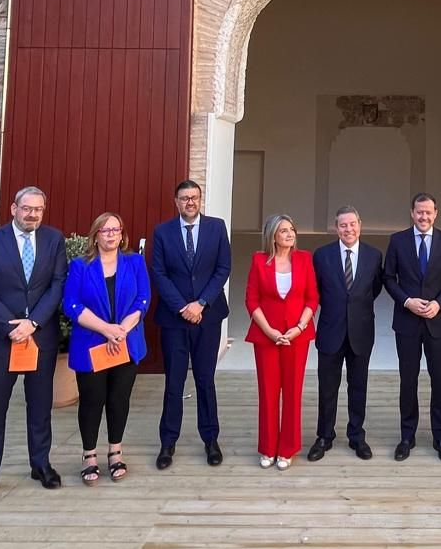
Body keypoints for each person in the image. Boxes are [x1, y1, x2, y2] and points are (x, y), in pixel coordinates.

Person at [0, 184, 68, 507]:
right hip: (1, 338)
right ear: (14, 209)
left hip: (40, 336)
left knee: (40, 406)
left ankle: (40, 464)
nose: (32, 215)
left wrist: (33, 322)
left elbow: (57, 285)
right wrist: (12, 326)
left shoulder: (54, 240)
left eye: (38, 209)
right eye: (27, 209)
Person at [62, 212, 151, 484]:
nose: (111, 234)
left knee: (118, 400)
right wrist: (106, 329)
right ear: (95, 235)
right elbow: (71, 304)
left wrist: (121, 329)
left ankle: (115, 450)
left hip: (126, 342)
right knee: (92, 401)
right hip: (92, 344)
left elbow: (143, 298)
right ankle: (89, 454)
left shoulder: (135, 262)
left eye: (116, 229)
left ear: (122, 234)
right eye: (105, 230)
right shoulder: (80, 266)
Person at [151, 180, 231, 469]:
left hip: (207, 317)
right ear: (176, 201)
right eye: (184, 198)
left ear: (200, 200)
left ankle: (210, 440)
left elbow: (223, 268)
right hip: (174, 318)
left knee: (205, 380)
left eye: (194, 197)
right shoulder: (162, 231)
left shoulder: (216, 227)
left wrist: (201, 303)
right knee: (174, 381)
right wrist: (182, 306)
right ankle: (168, 442)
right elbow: (158, 273)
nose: (190, 202)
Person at [383, 192, 441, 463]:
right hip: (407, 322)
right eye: (419, 212)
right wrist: (407, 301)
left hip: (437, 322)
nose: (424, 216)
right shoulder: (397, 241)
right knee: (409, 380)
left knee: (440, 381)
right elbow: (388, 278)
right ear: (411, 212)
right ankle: (407, 436)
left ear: (436, 213)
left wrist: (439, 304)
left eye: (428, 212)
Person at [309, 206, 384, 461]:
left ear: (360, 225)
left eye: (352, 224)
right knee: (327, 387)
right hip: (331, 330)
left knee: (358, 386)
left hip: (361, 331)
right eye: (343, 225)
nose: (348, 229)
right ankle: (324, 436)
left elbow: (374, 289)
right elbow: (316, 290)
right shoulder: (322, 255)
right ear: (336, 227)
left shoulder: (374, 256)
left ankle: (356, 436)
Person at [245, 214, 318, 468]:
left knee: (292, 392)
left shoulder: (304, 259)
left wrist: (299, 327)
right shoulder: (258, 261)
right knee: (267, 392)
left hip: (297, 337)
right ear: (272, 236)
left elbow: (312, 298)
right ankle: (267, 448)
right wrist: (269, 331)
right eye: (283, 230)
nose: (290, 234)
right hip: (267, 337)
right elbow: (251, 300)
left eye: (292, 229)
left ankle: (287, 448)